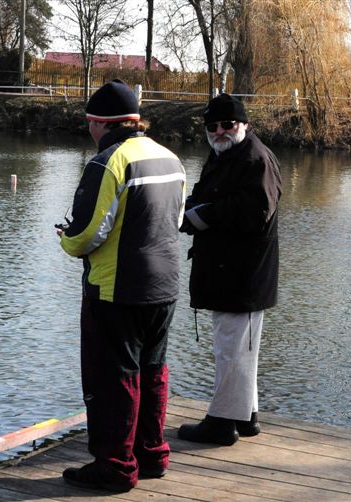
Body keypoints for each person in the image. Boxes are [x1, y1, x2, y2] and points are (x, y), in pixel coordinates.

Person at [57, 79, 186, 492]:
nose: (89, 130)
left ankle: (114, 466)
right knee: (153, 372)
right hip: (164, 287)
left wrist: (65, 239)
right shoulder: (171, 158)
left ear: (99, 123)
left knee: (113, 379)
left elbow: (86, 234)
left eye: (90, 123)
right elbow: (175, 221)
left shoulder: (108, 162)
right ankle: (152, 455)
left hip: (116, 290)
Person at [178, 93, 282, 446]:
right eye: (212, 126)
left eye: (227, 124)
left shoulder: (255, 158)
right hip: (228, 271)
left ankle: (222, 423)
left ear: (244, 124)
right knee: (238, 347)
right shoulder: (226, 154)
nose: (219, 131)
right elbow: (207, 194)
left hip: (243, 274)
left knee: (231, 348)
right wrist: (187, 212)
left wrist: (202, 216)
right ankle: (246, 416)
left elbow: (256, 211)